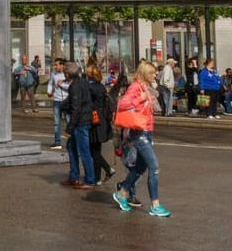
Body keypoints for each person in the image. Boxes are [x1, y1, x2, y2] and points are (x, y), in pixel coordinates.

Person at [112, 60, 170, 217]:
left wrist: (152, 90)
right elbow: (123, 103)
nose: (156, 74)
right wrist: (141, 97)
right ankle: (155, 205)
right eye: (152, 73)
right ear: (145, 73)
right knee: (154, 168)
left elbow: (161, 99)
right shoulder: (136, 87)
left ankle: (122, 193)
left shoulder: (146, 86)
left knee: (139, 168)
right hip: (139, 133)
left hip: (147, 131)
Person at [61, 61, 99, 189]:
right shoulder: (83, 82)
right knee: (71, 147)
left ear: (67, 74)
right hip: (84, 120)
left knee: (84, 151)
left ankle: (89, 180)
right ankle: (74, 176)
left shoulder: (75, 86)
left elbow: (76, 109)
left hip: (80, 123)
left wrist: (69, 129)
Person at [87, 64, 116, 184]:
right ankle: (101, 175)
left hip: (94, 120)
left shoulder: (90, 88)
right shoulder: (101, 87)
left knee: (93, 151)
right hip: (102, 120)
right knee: (96, 150)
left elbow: (87, 103)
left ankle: (104, 172)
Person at [49, 58, 72, 149]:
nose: (55, 66)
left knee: (69, 121)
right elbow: (50, 83)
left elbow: (71, 86)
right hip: (57, 101)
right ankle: (57, 142)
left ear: (62, 65)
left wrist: (61, 84)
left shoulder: (68, 74)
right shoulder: (53, 74)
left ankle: (72, 142)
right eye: (54, 65)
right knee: (56, 123)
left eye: (56, 65)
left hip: (66, 101)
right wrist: (49, 91)